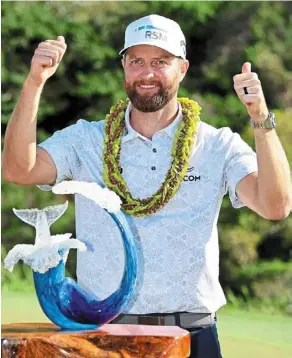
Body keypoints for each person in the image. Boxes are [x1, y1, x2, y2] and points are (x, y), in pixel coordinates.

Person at [3, 14, 291, 358]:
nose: (147, 73)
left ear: (182, 69)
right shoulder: (87, 140)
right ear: (124, 66)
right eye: (136, 61)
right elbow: (20, 170)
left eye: (161, 61)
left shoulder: (217, 145)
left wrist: (260, 117)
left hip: (191, 336)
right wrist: (35, 82)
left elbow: (276, 205)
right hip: (102, 336)